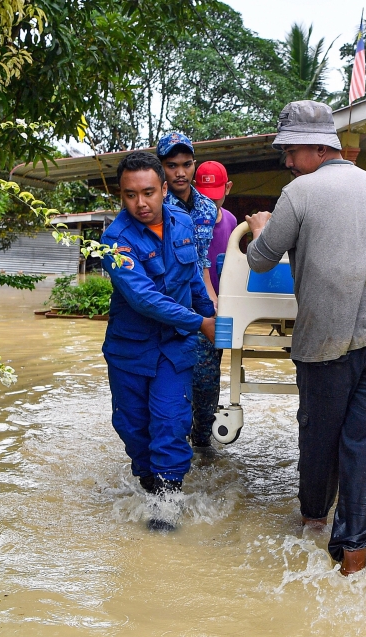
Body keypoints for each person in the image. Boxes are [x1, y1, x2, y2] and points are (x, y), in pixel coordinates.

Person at [245, 100, 366, 575]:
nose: (287, 162)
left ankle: (315, 523)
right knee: (364, 444)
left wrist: (260, 227)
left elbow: (260, 259)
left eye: (290, 151)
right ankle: (354, 556)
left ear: (316, 148)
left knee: (319, 437)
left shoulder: (299, 193)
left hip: (328, 344)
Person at [100, 151, 216, 528]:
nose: (141, 203)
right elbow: (143, 298)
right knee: (132, 427)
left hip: (173, 346)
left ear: (165, 188)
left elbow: (193, 278)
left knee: (170, 421)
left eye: (148, 192)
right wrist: (201, 322)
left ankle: (166, 506)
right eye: (130, 195)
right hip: (129, 348)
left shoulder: (181, 222)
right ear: (121, 195)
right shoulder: (115, 241)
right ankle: (148, 484)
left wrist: (210, 316)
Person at [156, 132, 220, 450]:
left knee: (207, 378)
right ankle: (173, 445)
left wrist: (212, 302)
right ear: (161, 168)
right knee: (170, 380)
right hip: (163, 305)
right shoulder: (152, 206)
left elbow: (203, 261)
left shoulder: (208, 208)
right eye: (172, 165)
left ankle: (203, 443)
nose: (180, 172)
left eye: (186, 164)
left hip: (197, 301)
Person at [190, 160, 238, 448]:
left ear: (228, 188)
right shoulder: (185, 220)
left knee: (208, 381)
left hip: (217, 314)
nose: (209, 201)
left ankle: (201, 441)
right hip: (191, 310)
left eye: (216, 194)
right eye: (204, 193)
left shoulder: (232, 223)